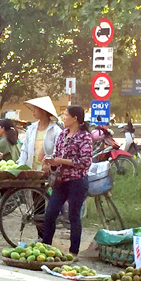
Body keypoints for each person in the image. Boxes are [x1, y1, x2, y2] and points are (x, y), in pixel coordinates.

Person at [42, 106, 93, 258]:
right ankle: (45, 246)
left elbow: (85, 162)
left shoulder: (84, 137)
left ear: (75, 118)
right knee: (50, 213)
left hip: (77, 181)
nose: (63, 118)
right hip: (61, 180)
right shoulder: (63, 134)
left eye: (66, 115)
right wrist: (50, 160)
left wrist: (61, 161)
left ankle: (73, 252)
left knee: (73, 216)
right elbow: (57, 154)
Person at [18, 96, 62, 170]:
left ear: (43, 111)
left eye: (35, 109)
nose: (33, 111)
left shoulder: (56, 131)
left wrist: (49, 163)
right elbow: (25, 149)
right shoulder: (31, 129)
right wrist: (20, 166)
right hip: (31, 171)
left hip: (48, 172)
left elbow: (57, 152)